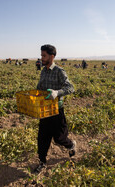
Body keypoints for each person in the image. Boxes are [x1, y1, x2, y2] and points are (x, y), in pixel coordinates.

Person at [34, 44, 76, 174]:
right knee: (42, 138)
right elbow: (40, 87)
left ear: (51, 57)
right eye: (41, 55)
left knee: (59, 138)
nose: (41, 58)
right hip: (45, 111)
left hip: (57, 111)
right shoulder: (43, 71)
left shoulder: (59, 71)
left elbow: (71, 88)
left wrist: (57, 93)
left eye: (44, 55)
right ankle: (42, 162)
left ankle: (71, 145)